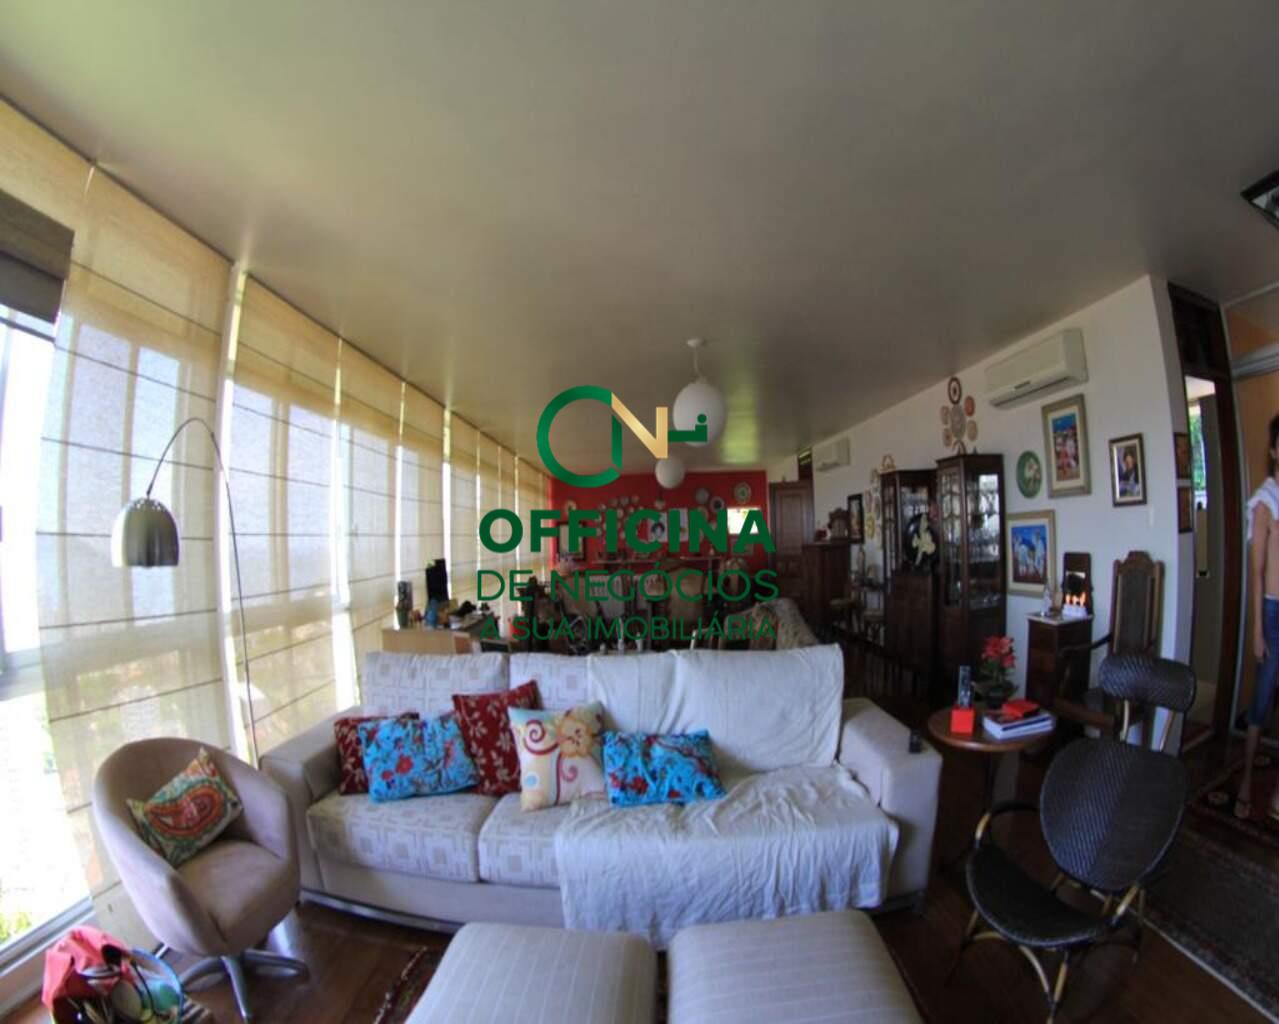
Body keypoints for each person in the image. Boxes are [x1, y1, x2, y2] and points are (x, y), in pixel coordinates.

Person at [1238, 413, 1279, 820]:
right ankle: (1247, 779)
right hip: (1272, 610)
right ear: (1274, 450)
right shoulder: (1265, 500)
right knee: (1263, 697)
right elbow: (1258, 570)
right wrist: (1256, 630)